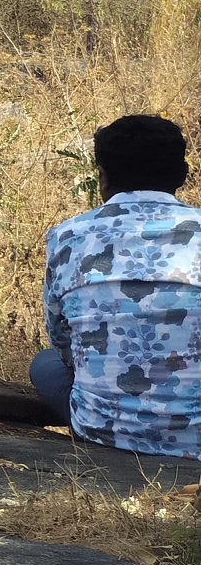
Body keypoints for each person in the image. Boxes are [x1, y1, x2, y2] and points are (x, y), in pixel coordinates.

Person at [30, 116, 201, 460]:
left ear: (102, 178)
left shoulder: (67, 237)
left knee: (45, 363)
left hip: (102, 429)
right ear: (182, 176)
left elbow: (62, 341)